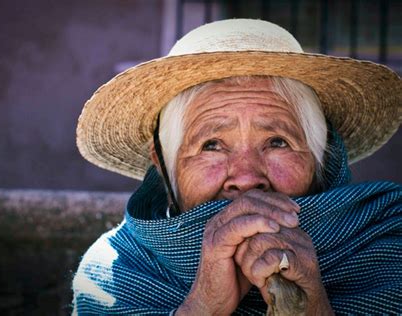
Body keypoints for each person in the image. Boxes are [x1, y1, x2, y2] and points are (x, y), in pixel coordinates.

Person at [72, 19, 401, 315]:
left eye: (277, 141)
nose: (246, 178)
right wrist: (203, 307)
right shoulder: (117, 276)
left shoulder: (390, 254)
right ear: (163, 164)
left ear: (320, 159)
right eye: (211, 145)